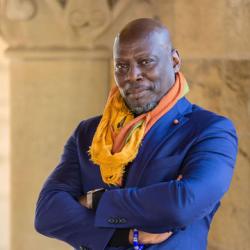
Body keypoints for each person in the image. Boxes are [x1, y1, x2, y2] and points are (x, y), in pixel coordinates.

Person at [35, 18, 238, 250]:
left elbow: (182, 204)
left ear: (174, 62)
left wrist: (95, 201)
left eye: (145, 62)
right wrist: (130, 235)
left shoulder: (209, 130)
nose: (133, 75)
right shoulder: (89, 133)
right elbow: (47, 213)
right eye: (122, 66)